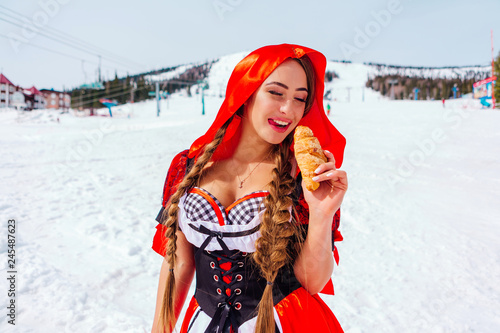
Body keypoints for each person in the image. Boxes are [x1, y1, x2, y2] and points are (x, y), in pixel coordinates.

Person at [151, 44, 348, 333]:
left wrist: (321, 213)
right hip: (204, 322)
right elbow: (179, 264)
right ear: (247, 92)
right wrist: (160, 329)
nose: (288, 110)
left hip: (284, 321)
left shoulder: (303, 177)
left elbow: (312, 281)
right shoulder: (189, 166)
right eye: (276, 92)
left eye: (299, 99)